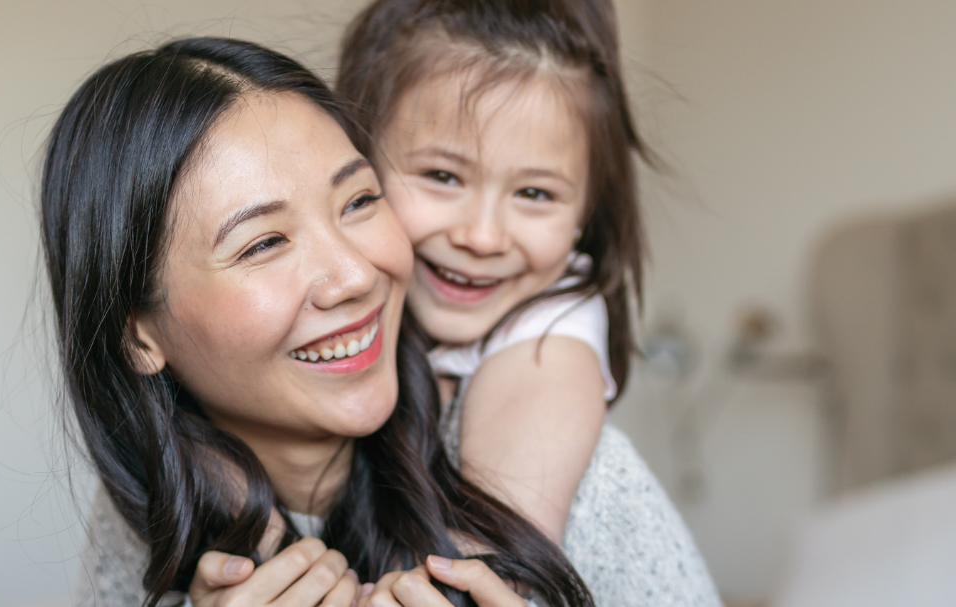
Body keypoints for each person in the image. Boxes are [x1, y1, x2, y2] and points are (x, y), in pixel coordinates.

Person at [44, 37, 593, 607]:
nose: (355, 276)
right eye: (263, 244)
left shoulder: (551, 477)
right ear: (137, 334)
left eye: (358, 201)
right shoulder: (147, 518)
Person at [333, 0, 723, 604]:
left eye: (535, 193)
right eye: (443, 176)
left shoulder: (552, 340)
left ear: (586, 214)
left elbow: (478, 570)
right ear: (356, 164)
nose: (483, 236)